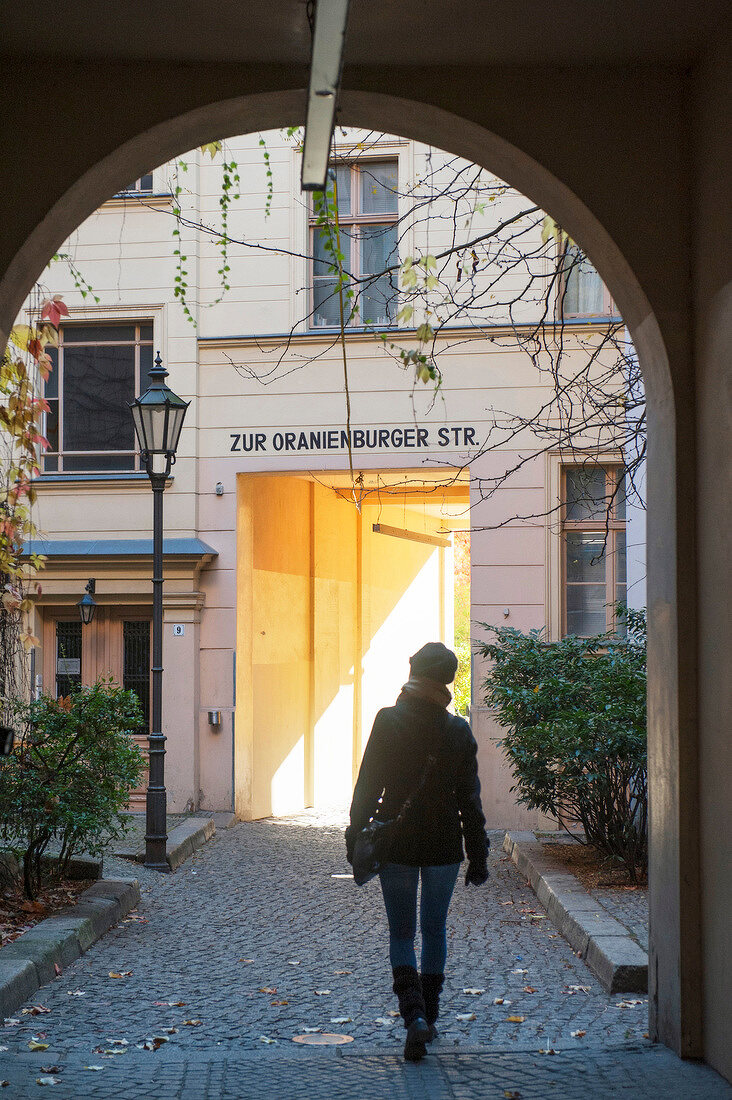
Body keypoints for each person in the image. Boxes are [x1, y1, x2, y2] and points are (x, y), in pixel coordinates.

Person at [345, 641, 489, 1062]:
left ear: (413, 673)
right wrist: (478, 853)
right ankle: (432, 1014)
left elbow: (367, 786)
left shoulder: (388, 721)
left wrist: (356, 837)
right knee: (435, 930)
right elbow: (470, 800)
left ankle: (413, 1017)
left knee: (402, 932)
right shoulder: (458, 730)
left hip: (399, 841)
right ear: (447, 679)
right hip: (444, 843)